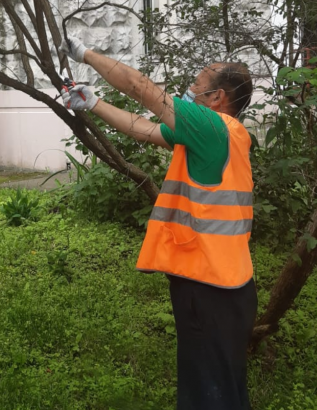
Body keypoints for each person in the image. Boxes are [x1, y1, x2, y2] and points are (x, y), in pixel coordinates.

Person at [60, 37, 258, 410]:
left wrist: (82, 53)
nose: (191, 89)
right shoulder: (218, 136)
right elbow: (144, 129)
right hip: (226, 285)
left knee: (209, 395)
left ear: (217, 97)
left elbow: (140, 89)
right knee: (223, 387)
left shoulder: (213, 129)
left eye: (198, 84)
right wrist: (94, 103)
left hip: (209, 286)